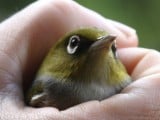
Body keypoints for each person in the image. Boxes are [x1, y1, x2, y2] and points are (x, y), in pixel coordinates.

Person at [0, 0, 160, 119]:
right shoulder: (44, 90)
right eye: (75, 44)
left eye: (114, 49)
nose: (106, 49)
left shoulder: (130, 85)